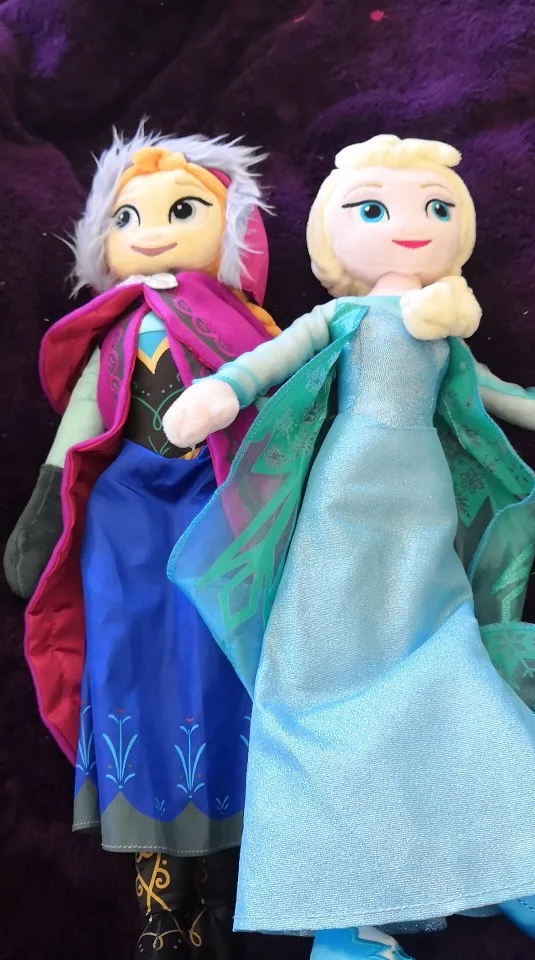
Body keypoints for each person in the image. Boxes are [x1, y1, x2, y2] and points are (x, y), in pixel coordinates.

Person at [164, 135, 535, 958]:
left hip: (423, 516)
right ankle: (345, 924)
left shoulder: (444, 328)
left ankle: (515, 853)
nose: (411, 224)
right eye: (373, 209)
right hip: (343, 507)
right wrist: (220, 393)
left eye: (436, 207)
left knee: (447, 664)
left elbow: (497, 396)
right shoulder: (342, 318)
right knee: (317, 682)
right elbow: (271, 361)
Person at [4, 125, 280, 960]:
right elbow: (86, 421)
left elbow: (278, 424)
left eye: (182, 210)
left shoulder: (248, 330)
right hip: (125, 523)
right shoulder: (113, 331)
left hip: (216, 514)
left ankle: (222, 906)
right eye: (126, 217)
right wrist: (46, 503)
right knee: (131, 683)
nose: (150, 230)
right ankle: (162, 919)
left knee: (222, 677)